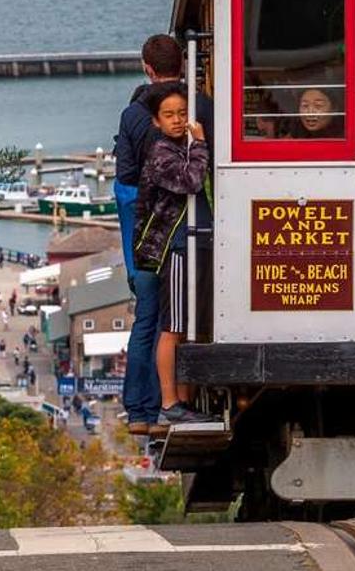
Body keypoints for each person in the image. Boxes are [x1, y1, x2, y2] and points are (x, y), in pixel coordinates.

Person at [112, 34, 213, 435]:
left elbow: (124, 178)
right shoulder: (199, 108)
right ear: (184, 66)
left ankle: (140, 410)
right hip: (186, 232)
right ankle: (174, 403)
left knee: (148, 320)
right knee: (179, 322)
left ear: (146, 67)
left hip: (149, 232)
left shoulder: (134, 114)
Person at [133, 82, 213, 429]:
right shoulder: (162, 153)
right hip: (176, 247)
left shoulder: (179, 148)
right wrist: (201, 144)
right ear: (156, 121)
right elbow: (191, 181)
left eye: (182, 113)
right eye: (169, 115)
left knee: (191, 327)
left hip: (196, 242)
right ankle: (169, 403)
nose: (178, 120)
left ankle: (185, 402)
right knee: (174, 326)